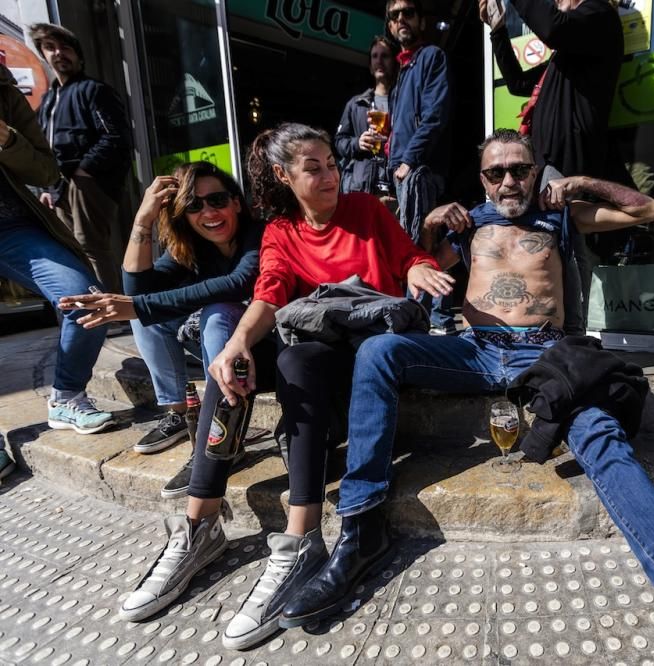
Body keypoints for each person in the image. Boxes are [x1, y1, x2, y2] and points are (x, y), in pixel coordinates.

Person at [276, 130, 654, 666]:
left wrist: (579, 182)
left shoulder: (561, 215)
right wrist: (432, 227)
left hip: (548, 355)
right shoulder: (467, 223)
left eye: (520, 169)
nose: (509, 181)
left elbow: (649, 208)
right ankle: (361, 529)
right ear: (480, 177)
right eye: (496, 172)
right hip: (476, 350)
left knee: (601, 436)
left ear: (537, 172)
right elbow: (424, 268)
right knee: (380, 352)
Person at [117, 123, 453, 651]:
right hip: (315, 351)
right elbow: (269, 293)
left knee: (293, 358)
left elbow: (410, 255)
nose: (329, 176)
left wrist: (419, 270)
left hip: (371, 350)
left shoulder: (366, 209)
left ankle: (300, 539)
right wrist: (236, 346)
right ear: (283, 175)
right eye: (313, 167)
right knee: (245, 364)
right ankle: (199, 526)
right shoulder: (280, 231)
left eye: (331, 164)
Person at [57, 162, 260, 498]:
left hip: (258, 348)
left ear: (236, 202)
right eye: (194, 205)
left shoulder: (260, 234)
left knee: (217, 313)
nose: (208, 211)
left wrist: (138, 305)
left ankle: (223, 435)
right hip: (218, 350)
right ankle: (181, 413)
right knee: (146, 313)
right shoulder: (191, 248)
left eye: (217, 200)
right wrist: (143, 218)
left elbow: (239, 282)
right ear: (183, 215)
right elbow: (138, 293)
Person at [480, 0, 632, 318]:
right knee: (550, 250)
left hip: (568, 164)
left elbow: (553, 27)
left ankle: (572, 337)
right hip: (548, 164)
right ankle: (555, 330)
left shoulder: (600, 15)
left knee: (569, 251)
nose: (556, 4)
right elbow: (518, 83)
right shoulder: (567, 54)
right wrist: (497, 31)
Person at [0, 63, 112, 435]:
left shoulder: (4, 92)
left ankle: (67, 396)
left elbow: (47, 171)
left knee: (85, 297)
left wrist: (6, 140)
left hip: (12, 228)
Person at [29, 23, 131, 294]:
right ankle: (90, 307)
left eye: (65, 47)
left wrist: (84, 172)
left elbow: (115, 137)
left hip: (87, 181)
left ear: (78, 54)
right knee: (71, 248)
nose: (59, 53)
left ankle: (110, 313)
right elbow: (44, 149)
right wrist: (48, 188)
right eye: (50, 47)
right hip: (60, 186)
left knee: (91, 246)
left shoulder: (93, 90)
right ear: (43, 53)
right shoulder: (49, 100)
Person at [384, 0, 456, 334]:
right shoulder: (405, 69)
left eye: (407, 12)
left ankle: (432, 322)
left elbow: (434, 116)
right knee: (417, 242)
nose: (401, 19)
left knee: (421, 243)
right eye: (394, 15)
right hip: (406, 169)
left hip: (420, 170)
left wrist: (408, 160)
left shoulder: (430, 57)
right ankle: (432, 320)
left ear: (421, 20)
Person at [335, 36, 398, 197]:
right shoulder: (356, 104)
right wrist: (358, 143)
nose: (379, 61)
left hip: (392, 185)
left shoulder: (403, 103)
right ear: (370, 66)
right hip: (360, 185)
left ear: (395, 62)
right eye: (375, 56)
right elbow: (339, 142)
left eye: (385, 56)